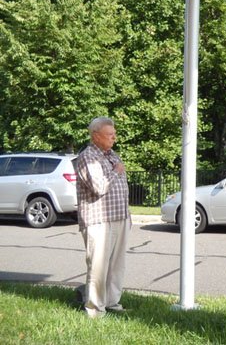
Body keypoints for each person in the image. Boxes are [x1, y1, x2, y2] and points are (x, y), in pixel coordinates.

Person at [75, 117, 131, 318]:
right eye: (110, 134)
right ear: (95, 136)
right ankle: (95, 309)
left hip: (119, 217)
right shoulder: (88, 156)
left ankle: (112, 303)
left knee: (117, 265)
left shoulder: (111, 154)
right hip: (98, 220)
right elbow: (99, 187)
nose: (114, 138)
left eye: (114, 134)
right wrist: (116, 172)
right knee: (98, 265)